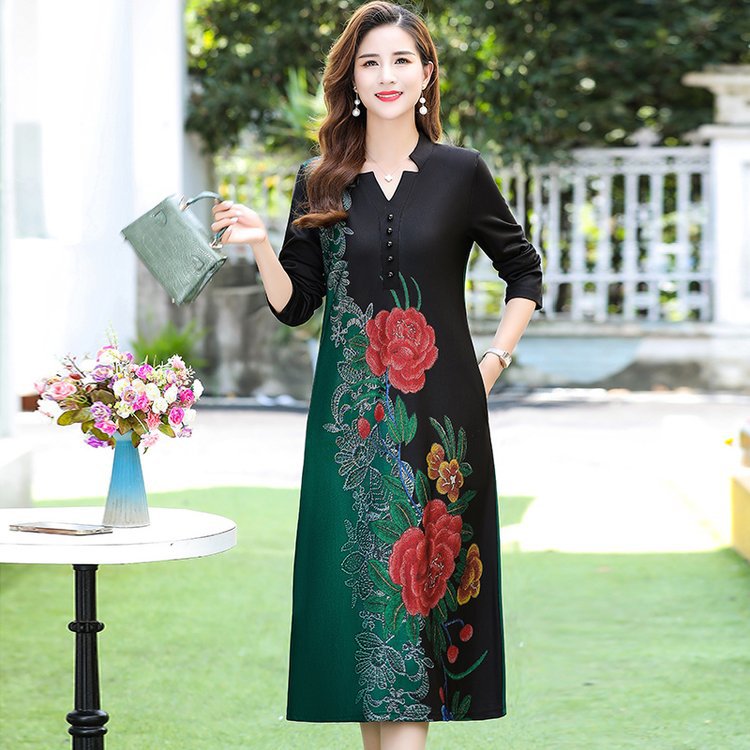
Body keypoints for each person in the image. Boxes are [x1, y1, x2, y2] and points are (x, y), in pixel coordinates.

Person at [211, 2, 543, 748]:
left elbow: (523, 271)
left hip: (442, 424)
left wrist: (493, 361)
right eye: (370, 62)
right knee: (370, 616)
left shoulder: (460, 173)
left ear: (426, 75)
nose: (386, 75)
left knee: (419, 613)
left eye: (401, 60)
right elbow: (297, 305)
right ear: (352, 80)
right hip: (351, 429)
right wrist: (262, 243)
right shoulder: (319, 180)